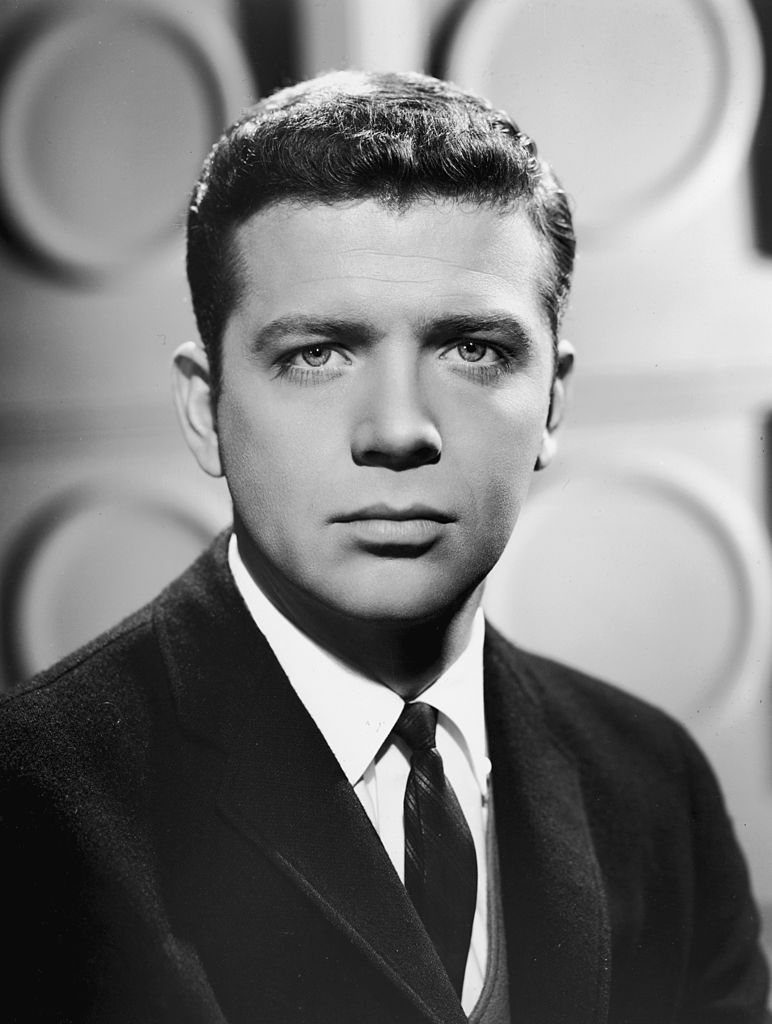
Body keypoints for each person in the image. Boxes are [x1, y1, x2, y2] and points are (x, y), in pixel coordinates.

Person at [0, 70, 769, 1024]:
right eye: (316, 354)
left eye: (473, 349)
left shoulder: (656, 789)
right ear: (207, 410)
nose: (398, 430)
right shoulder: (29, 805)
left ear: (554, 403)